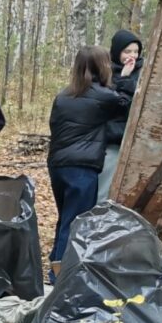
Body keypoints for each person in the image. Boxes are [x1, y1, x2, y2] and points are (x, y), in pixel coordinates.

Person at [48, 46, 130, 277]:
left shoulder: (63, 95)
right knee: (75, 223)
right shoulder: (104, 96)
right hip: (81, 167)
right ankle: (61, 278)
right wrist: (123, 79)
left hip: (57, 165)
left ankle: (54, 267)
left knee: (65, 219)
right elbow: (125, 103)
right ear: (101, 67)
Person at [97, 29, 143, 202]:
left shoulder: (144, 72)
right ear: (117, 52)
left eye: (136, 51)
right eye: (127, 51)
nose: (132, 56)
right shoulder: (106, 73)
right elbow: (112, 105)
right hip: (112, 140)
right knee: (104, 189)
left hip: (136, 142)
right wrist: (123, 78)